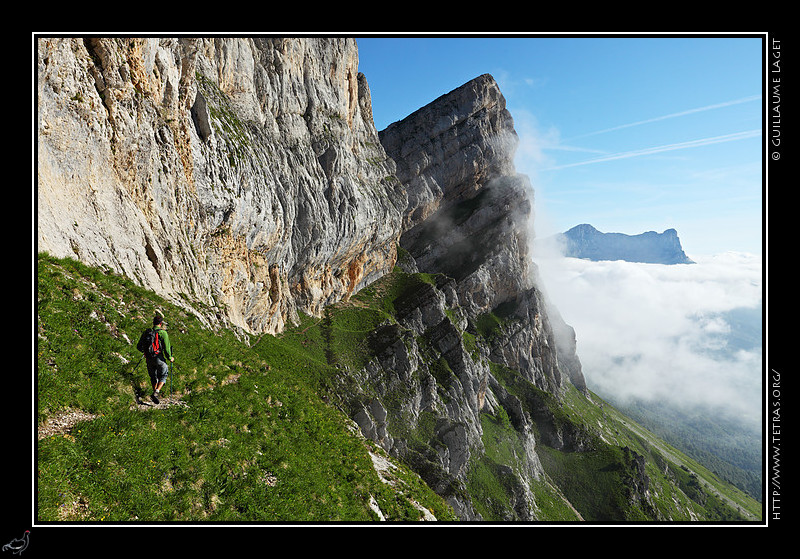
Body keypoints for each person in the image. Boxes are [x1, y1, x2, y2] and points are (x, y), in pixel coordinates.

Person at [146, 314, 174, 404]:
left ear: (153, 323)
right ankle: (157, 391)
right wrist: (170, 357)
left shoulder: (147, 332)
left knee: (153, 376)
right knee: (163, 375)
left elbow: (139, 346)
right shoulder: (163, 333)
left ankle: (154, 394)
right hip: (159, 358)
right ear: (161, 323)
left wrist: (145, 352)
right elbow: (166, 348)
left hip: (149, 358)